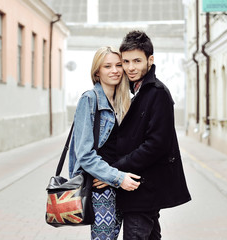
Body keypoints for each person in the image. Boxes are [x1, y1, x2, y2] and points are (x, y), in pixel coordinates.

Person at [111, 30, 192, 239]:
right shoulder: (133, 91)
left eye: (137, 61)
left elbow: (156, 144)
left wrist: (114, 171)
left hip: (144, 190)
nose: (130, 67)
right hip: (139, 188)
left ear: (150, 60)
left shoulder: (157, 93)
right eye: (126, 61)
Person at [68, 46, 141, 240]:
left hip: (120, 184)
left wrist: (119, 176)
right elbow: (84, 154)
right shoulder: (89, 100)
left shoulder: (124, 102)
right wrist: (115, 177)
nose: (115, 70)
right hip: (102, 188)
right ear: (97, 72)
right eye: (107, 66)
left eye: (118, 65)